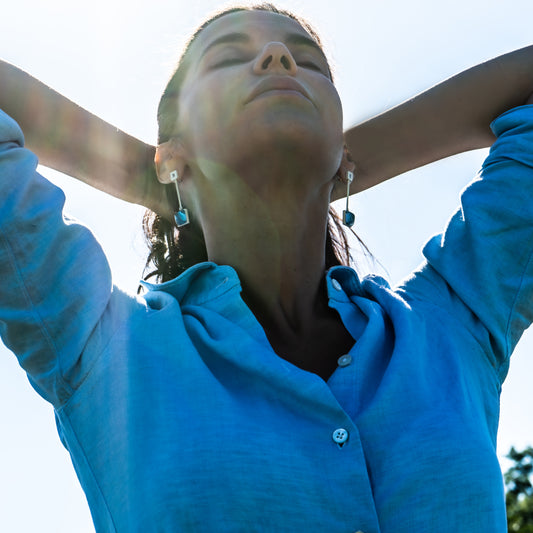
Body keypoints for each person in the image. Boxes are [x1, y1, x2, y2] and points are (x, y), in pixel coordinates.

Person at [1, 3, 533, 531]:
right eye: (229, 58)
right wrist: (148, 175)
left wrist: (344, 158)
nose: (278, 57)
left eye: (309, 63)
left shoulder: (451, 326)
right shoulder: (104, 351)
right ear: (171, 153)